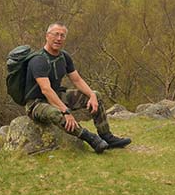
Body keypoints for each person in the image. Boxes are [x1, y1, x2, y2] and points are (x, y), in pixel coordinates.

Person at [24, 22, 131, 154]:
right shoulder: (38, 60)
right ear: (47, 36)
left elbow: (77, 79)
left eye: (62, 36)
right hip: (37, 103)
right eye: (56, 34)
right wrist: (66, 112)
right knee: (55, 113)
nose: (59, 38)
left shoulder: (64, 57)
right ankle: (91, 139)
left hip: (57, 95)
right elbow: (46, 89)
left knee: (96, 95)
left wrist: (92, 95)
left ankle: (107, 137)